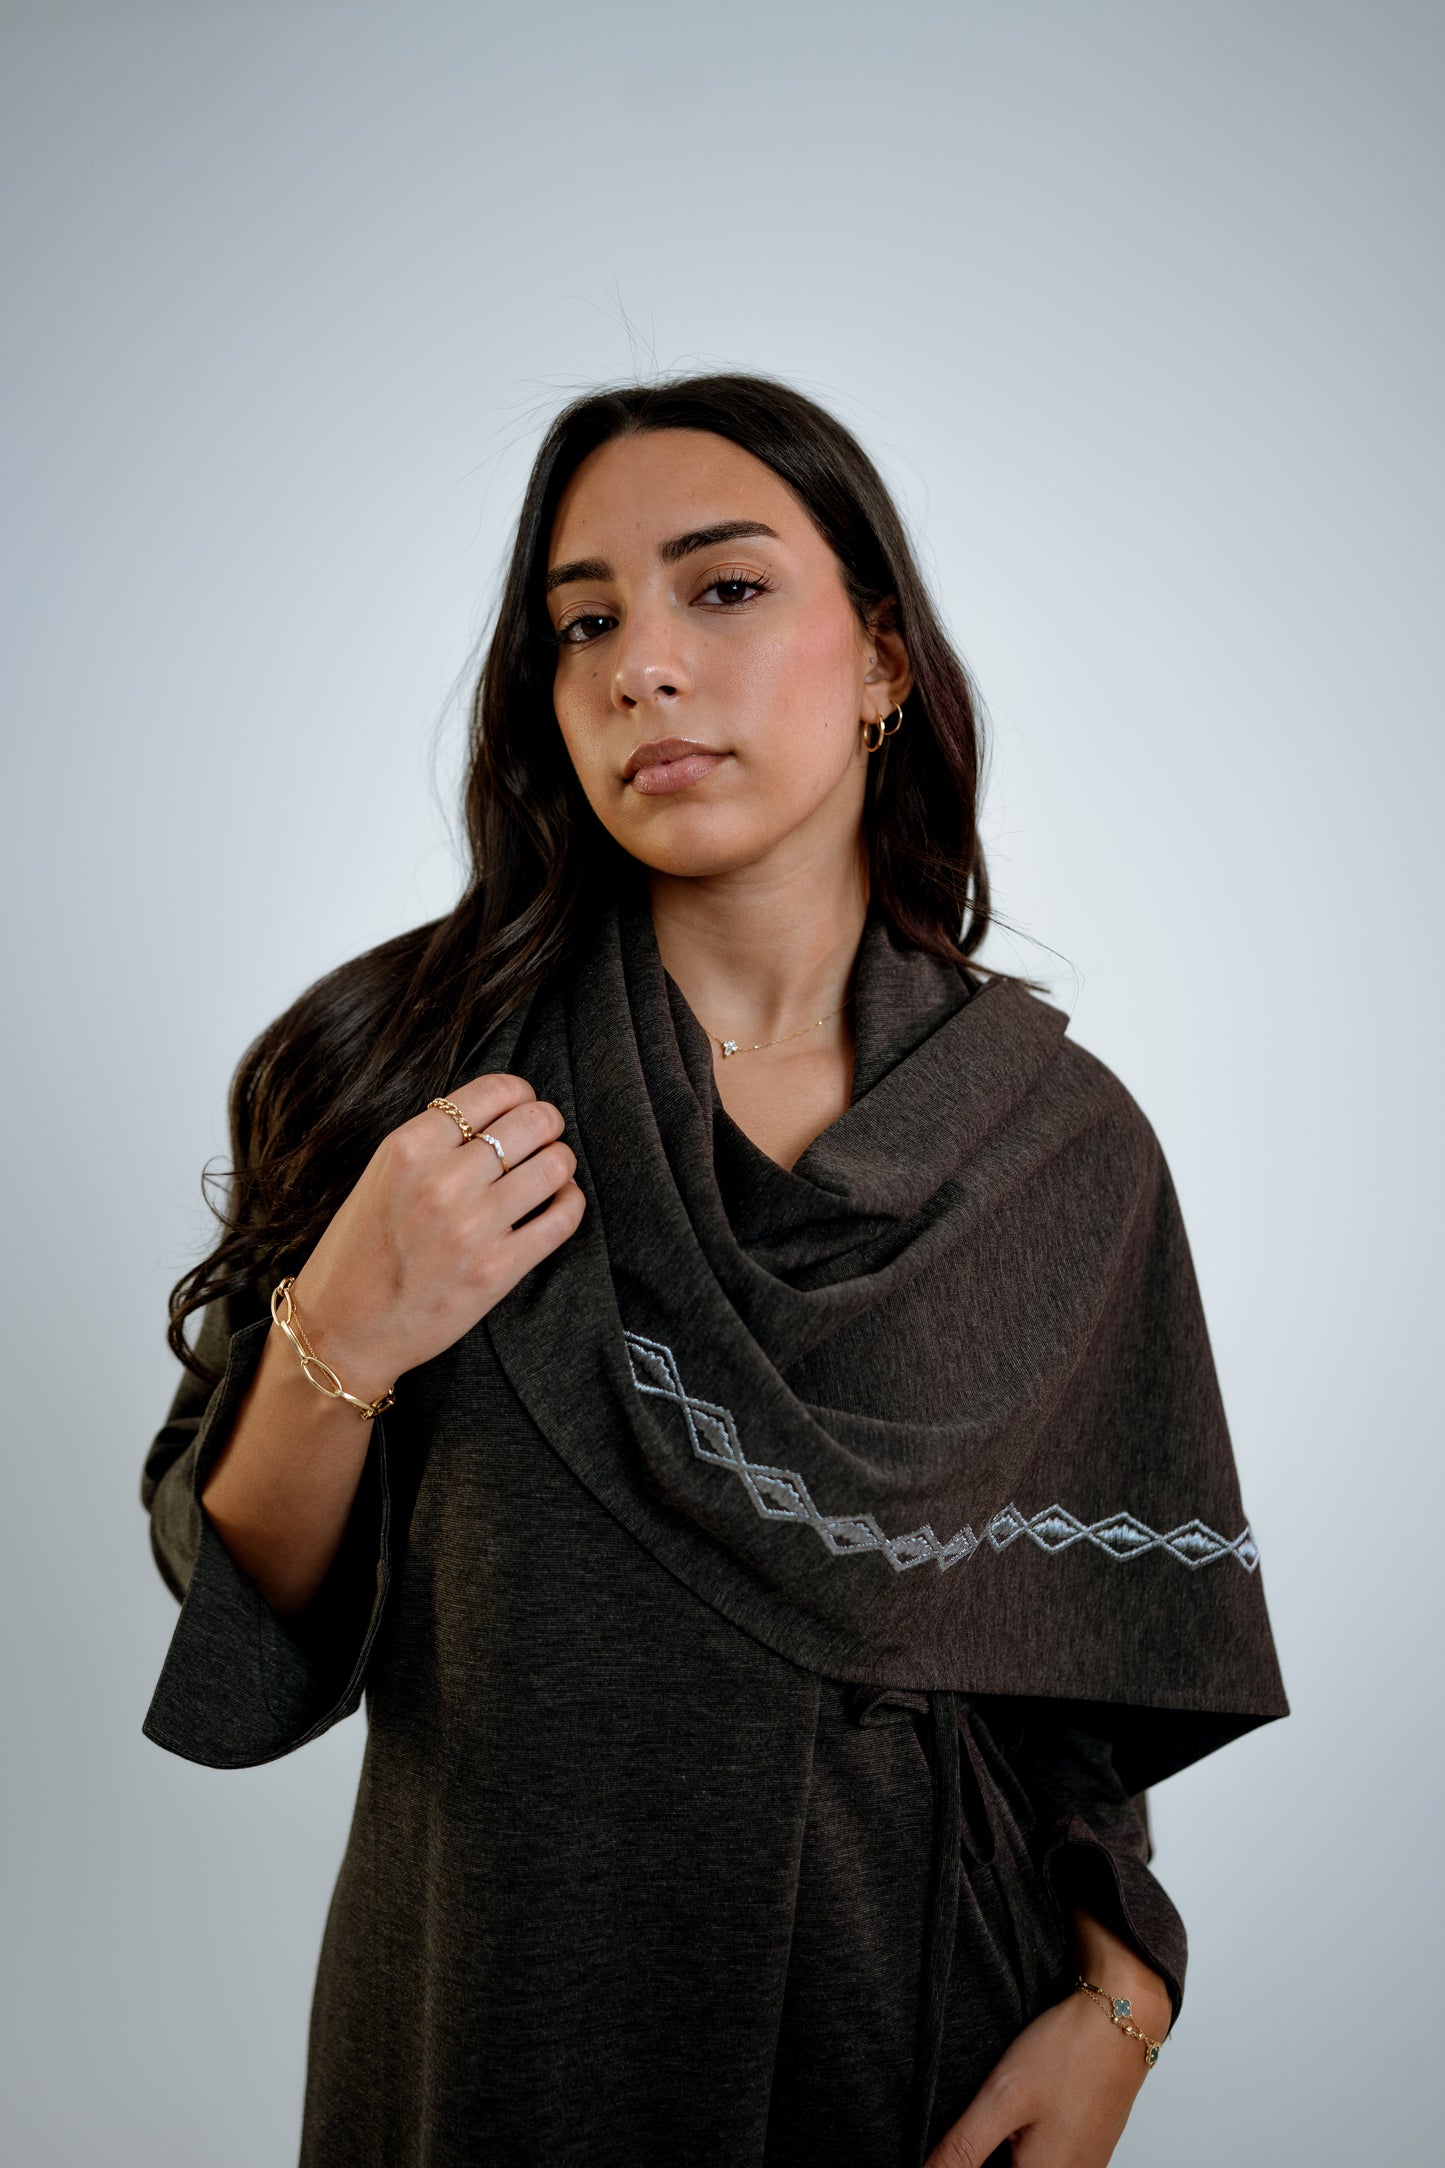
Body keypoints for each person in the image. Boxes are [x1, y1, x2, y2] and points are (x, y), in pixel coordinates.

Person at [140, 372, 1288, 2168]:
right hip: (495, 2031)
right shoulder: (409, 1074)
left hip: (907, 2042)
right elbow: (243, 1612)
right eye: (583, 621)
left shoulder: (1056, 1148)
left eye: (723, 589)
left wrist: (1121, 2008)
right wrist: (339, 1328)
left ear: (884, 663)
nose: (638, 666)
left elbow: (1075, 1695)